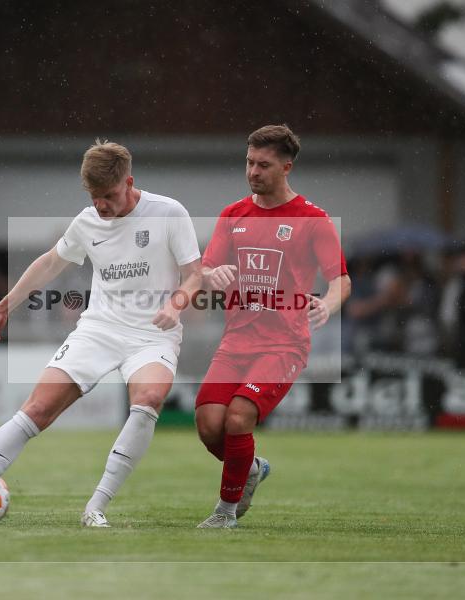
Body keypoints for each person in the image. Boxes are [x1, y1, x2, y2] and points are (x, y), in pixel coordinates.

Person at [0, 140, 202, 527]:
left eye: (109, 196)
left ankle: (95, 508)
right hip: (99, 329)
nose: (102, 205)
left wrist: (176, 303)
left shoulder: (168, 213)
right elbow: (51, 263)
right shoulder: (87, 221)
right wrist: (5, 306)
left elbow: (195, 273)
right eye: (94, 197)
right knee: (36, 410)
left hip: (152, 334)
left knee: (149, 398)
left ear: (129, 181)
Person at [194, 125, 350, 528]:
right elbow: (206, 269)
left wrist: (329, 304)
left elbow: (341, 279)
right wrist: (216, 274)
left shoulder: (312, 220)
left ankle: (225, 512)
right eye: (249, 162)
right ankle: (251, 468)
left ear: (286, 166)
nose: (253, 172)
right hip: (236, 341)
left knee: (239, 418)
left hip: (284, 344)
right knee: (210, 425)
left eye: (263, 165)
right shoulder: (233, 215)